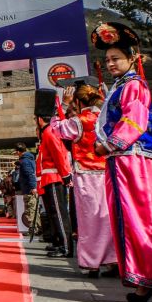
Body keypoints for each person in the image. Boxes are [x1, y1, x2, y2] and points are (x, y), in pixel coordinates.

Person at [91, 21, 152, 302]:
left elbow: (133, 122)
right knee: (127, 218)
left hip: (132, 159)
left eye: (116, 58)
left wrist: (108, 144)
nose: (111, 63)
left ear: (132, 58)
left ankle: (149, 277)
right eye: (107, 59)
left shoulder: (134, 86)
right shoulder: (121, 86)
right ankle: (142, 277)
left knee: (138, 218)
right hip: (122, 160)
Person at [52, 82, 117, 277]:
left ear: (78, 103)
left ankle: (93, 262)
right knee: (109, 217)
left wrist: (63, 106)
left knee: (89, 221)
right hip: (109, 172)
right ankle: (114, 259)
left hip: (87, 175)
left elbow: (55, 130)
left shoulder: (80, 120)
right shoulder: (107, 118)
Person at [36, 111, 72, 257]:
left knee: (59, 213)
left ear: (39, 120)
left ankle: (66, 247)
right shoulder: (48, 133)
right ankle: (58, 242)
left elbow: (58, 155)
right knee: (53, 213)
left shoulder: (49, 133)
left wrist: (65, 175)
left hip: (55, 177)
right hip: (49, 178)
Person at [15, 143, 38, 233]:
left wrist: (33, 187)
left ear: (18, 152)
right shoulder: (30, 159)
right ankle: (36, 228)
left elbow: (30, 174)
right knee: (33, 209)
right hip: (29, 188)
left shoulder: (24, 162)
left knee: (30, 210)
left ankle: (33, 229)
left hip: (28, 189)